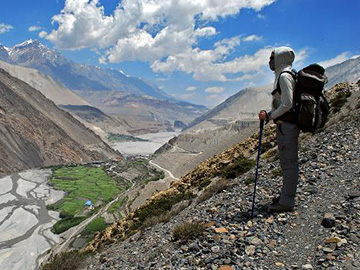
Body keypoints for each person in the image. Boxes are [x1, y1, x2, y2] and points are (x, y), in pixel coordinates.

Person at [259, 46, 300, 213]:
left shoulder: (284, 76)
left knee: (289, 163)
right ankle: (285, 196)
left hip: (288, 126)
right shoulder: (285, 75)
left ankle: (287, 201)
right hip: (285, 125)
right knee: (287, 162)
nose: (270, 61)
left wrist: (270, 116)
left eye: (272, 57)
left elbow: (288, 104)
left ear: (281, 59)